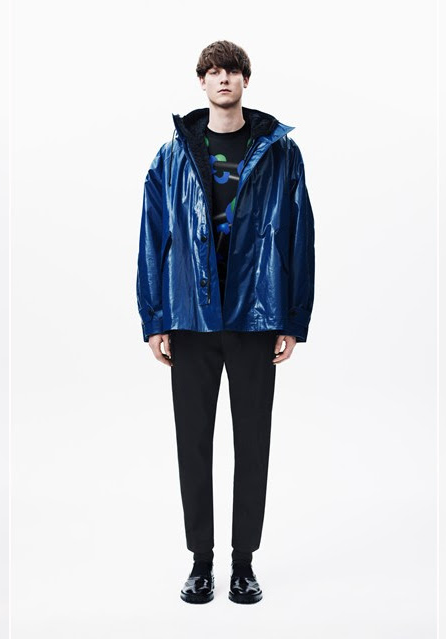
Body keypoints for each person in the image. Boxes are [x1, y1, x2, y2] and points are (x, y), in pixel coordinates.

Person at [136, 40, 314, 605]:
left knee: (252, 444)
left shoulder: (281, 154)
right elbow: (152, 237)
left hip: (256, 315)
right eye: (213, 72)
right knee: (193, 445)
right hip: (189, 318)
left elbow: (300, 234)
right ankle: (200, 563)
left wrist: (293, 317)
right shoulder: (171, 157)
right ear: (202, 82)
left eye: (232, 71)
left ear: (245, 80)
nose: (223, 80)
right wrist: (154, 317)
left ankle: (243, 564)